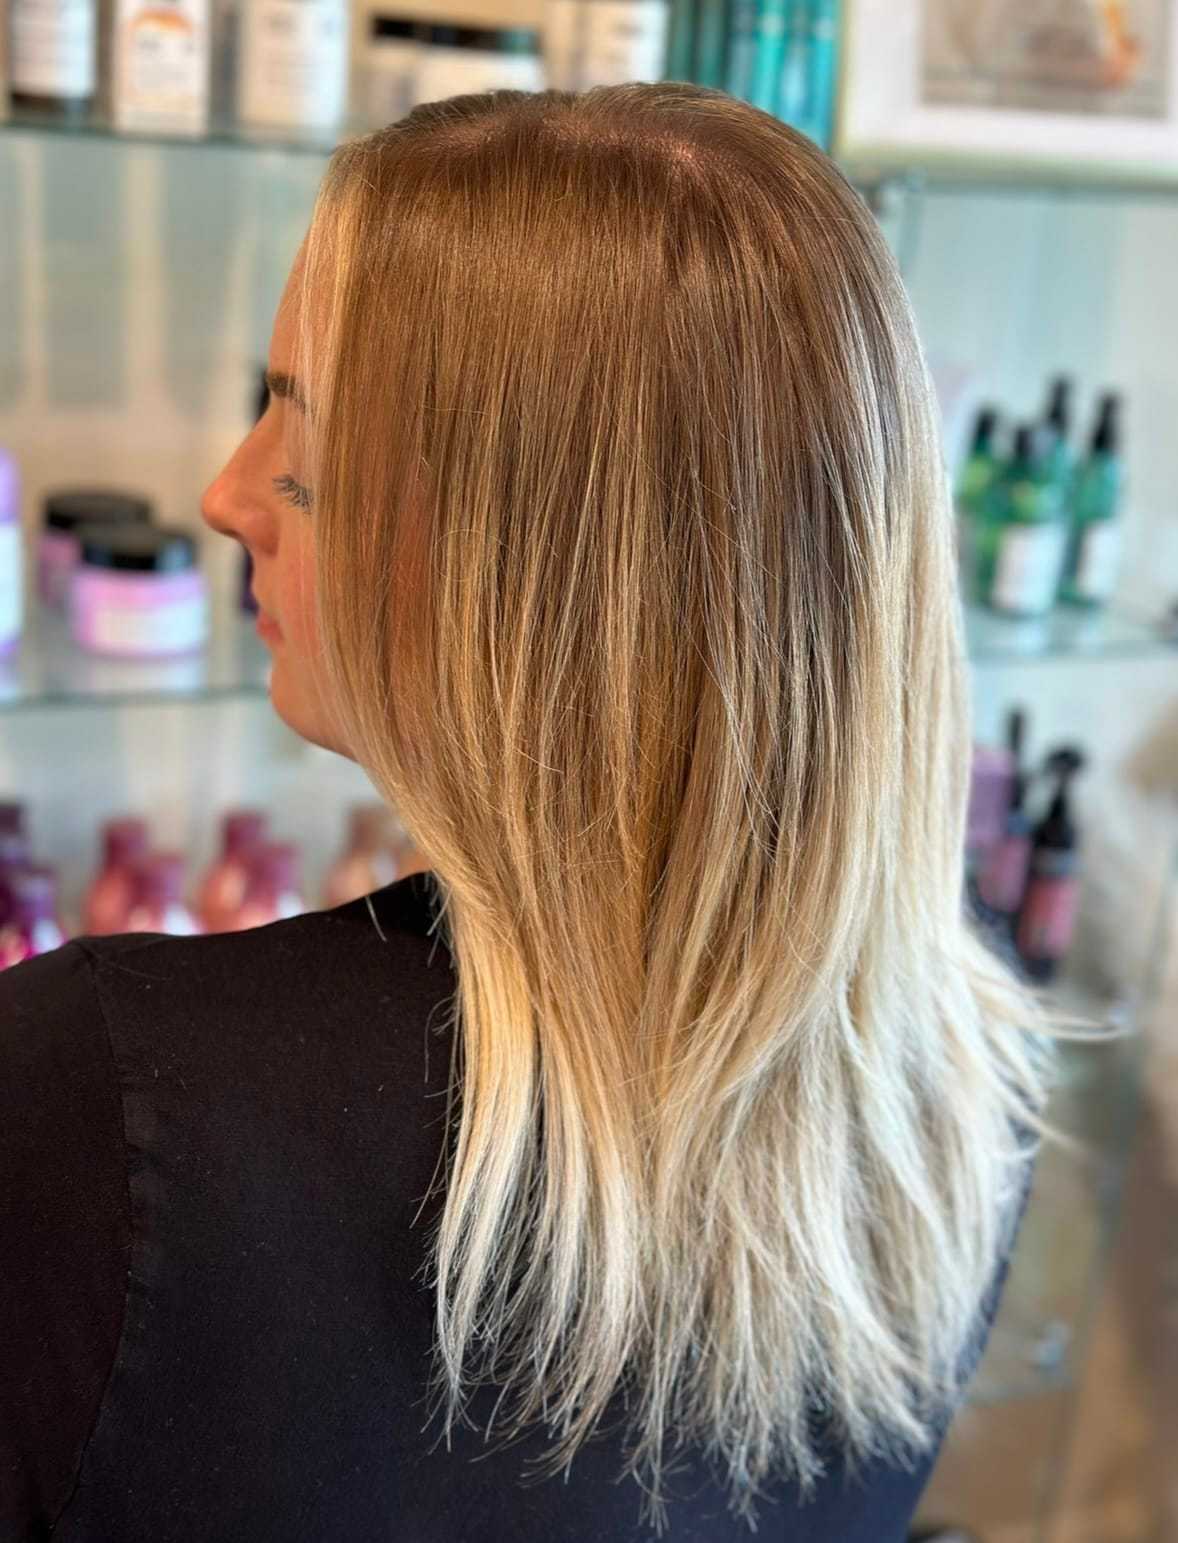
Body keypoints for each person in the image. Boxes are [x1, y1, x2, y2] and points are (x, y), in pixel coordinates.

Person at [0, 84, 1050, 1541]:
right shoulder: (964, 1080)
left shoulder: (110, 1109)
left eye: (299, 437)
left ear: (518, 550)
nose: (229, 495)